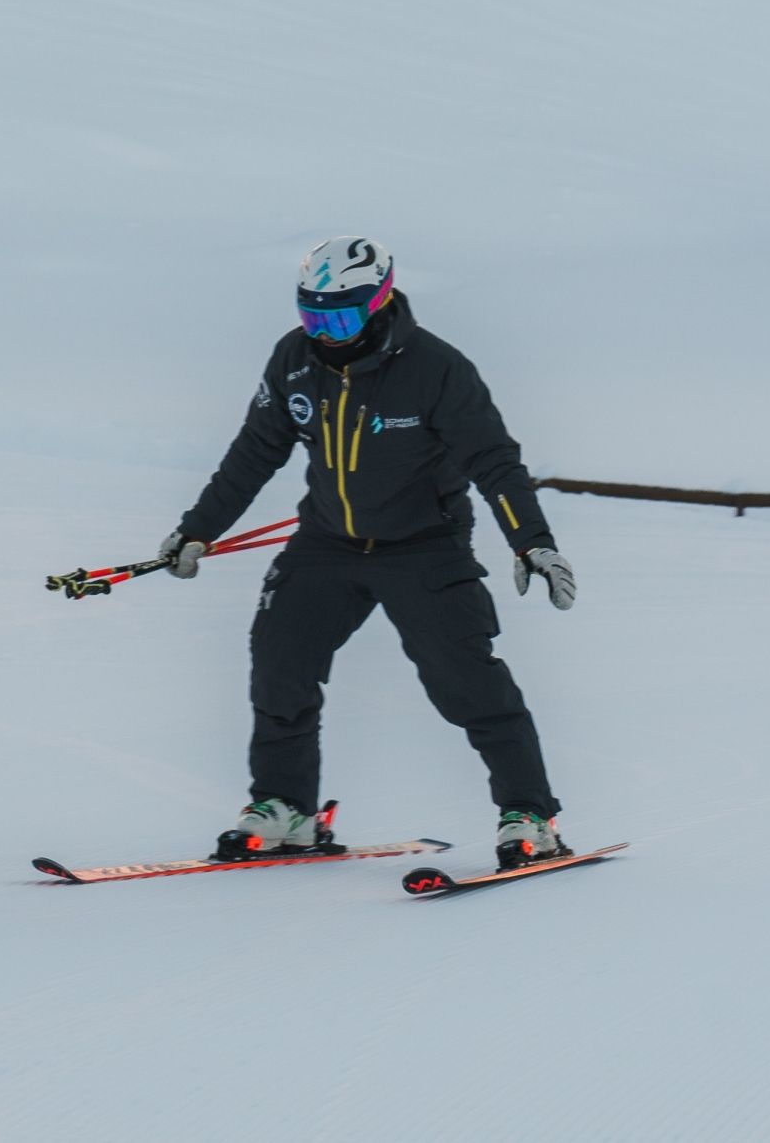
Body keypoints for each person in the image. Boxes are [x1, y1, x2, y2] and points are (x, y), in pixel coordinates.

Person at [162, 236, 579, 868]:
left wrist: (532, 542)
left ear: (380, 300)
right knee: (279, 664)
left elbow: (493, 460)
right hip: (326, 543)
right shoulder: (294, 359)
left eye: (340, 319)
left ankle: (530, 817)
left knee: (467, 683)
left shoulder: (437, 369)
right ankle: (286, 809)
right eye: (312, 317)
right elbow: (255, 450)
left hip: (425, 547)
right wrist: (199, 528)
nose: (325, 334)